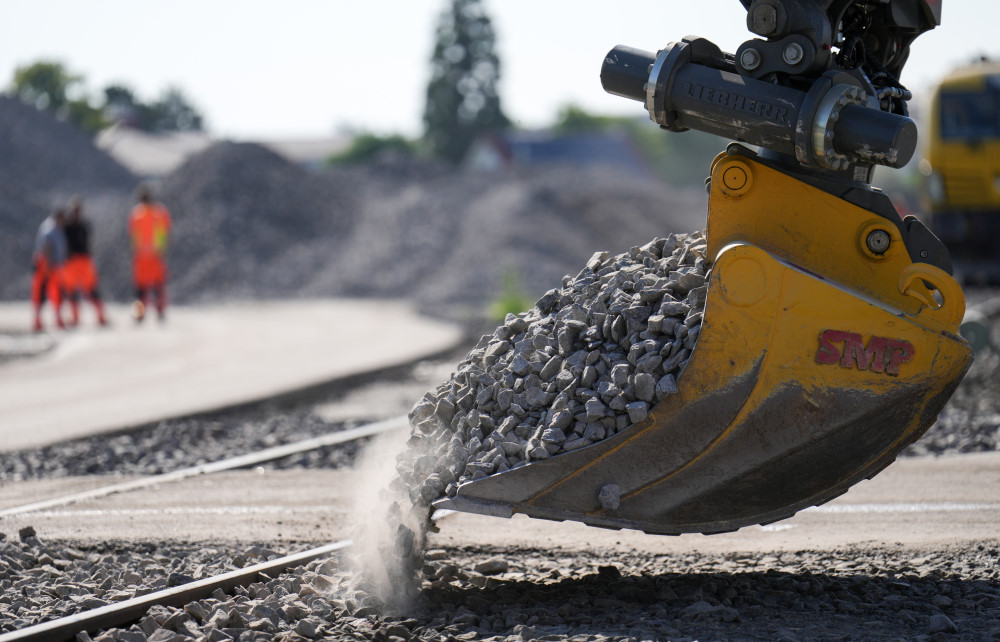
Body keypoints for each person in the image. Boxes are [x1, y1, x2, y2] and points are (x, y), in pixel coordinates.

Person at [128, 184, 172, 322]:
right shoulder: (138, 214)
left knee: (157, 286)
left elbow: (165, 231)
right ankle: (141, 313)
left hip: (154, 255)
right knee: (141, 289)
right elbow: (133, 235)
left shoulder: (157, 212)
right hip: (143, 256)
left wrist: (161, 248)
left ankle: (159, 311)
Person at [62, 196, 108, 327]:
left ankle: (100, 316)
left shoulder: (83, 226)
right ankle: (75, 317)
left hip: (84, 260)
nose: (76, 212)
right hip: (71, 262)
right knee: (71, 291)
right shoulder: (68, 227)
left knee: (92, 290)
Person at [31, 208, 68, 332]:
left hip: (50, 263)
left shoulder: (56, 227)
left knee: (54, 292)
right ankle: (38, 320)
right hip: (47, 263)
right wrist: (50, 265)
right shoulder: (50, 228)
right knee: (43, 292)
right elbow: (47, 246)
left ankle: (53, 319)